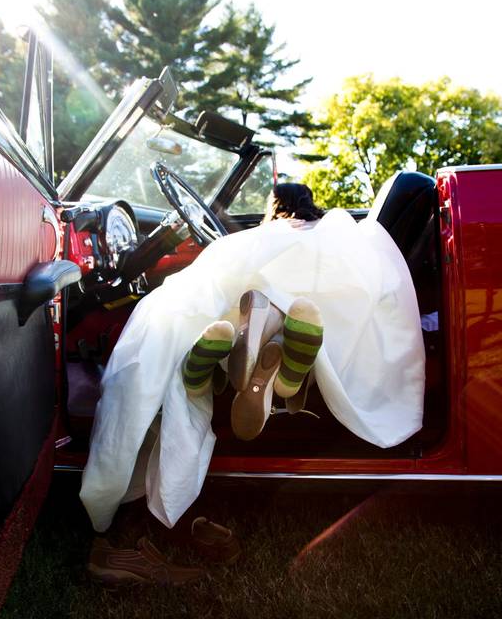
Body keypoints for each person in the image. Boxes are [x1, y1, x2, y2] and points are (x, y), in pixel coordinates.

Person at [80, 183, 425, 579]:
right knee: (312, 315)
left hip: (243, 305)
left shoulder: (262, 238)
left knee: (194, 324)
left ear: (273, 210)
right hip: (312, 305)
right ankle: (287, 379)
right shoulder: (335, 238)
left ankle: (208, 368)